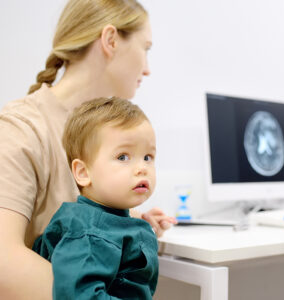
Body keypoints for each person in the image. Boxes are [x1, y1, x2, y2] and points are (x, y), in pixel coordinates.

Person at [0, 1, 175, 299]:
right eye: (145, 48)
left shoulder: (106, 139)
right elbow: (4, 261)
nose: (147, 68)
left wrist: (134, 225)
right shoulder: (19, 128)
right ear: (110, 40)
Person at [34, 97, 160, 299]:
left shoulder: (107, 220)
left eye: (148, 157)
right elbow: (80, 296)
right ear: (83, 173)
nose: (142, 168)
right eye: (123, 157)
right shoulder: (89, 233)